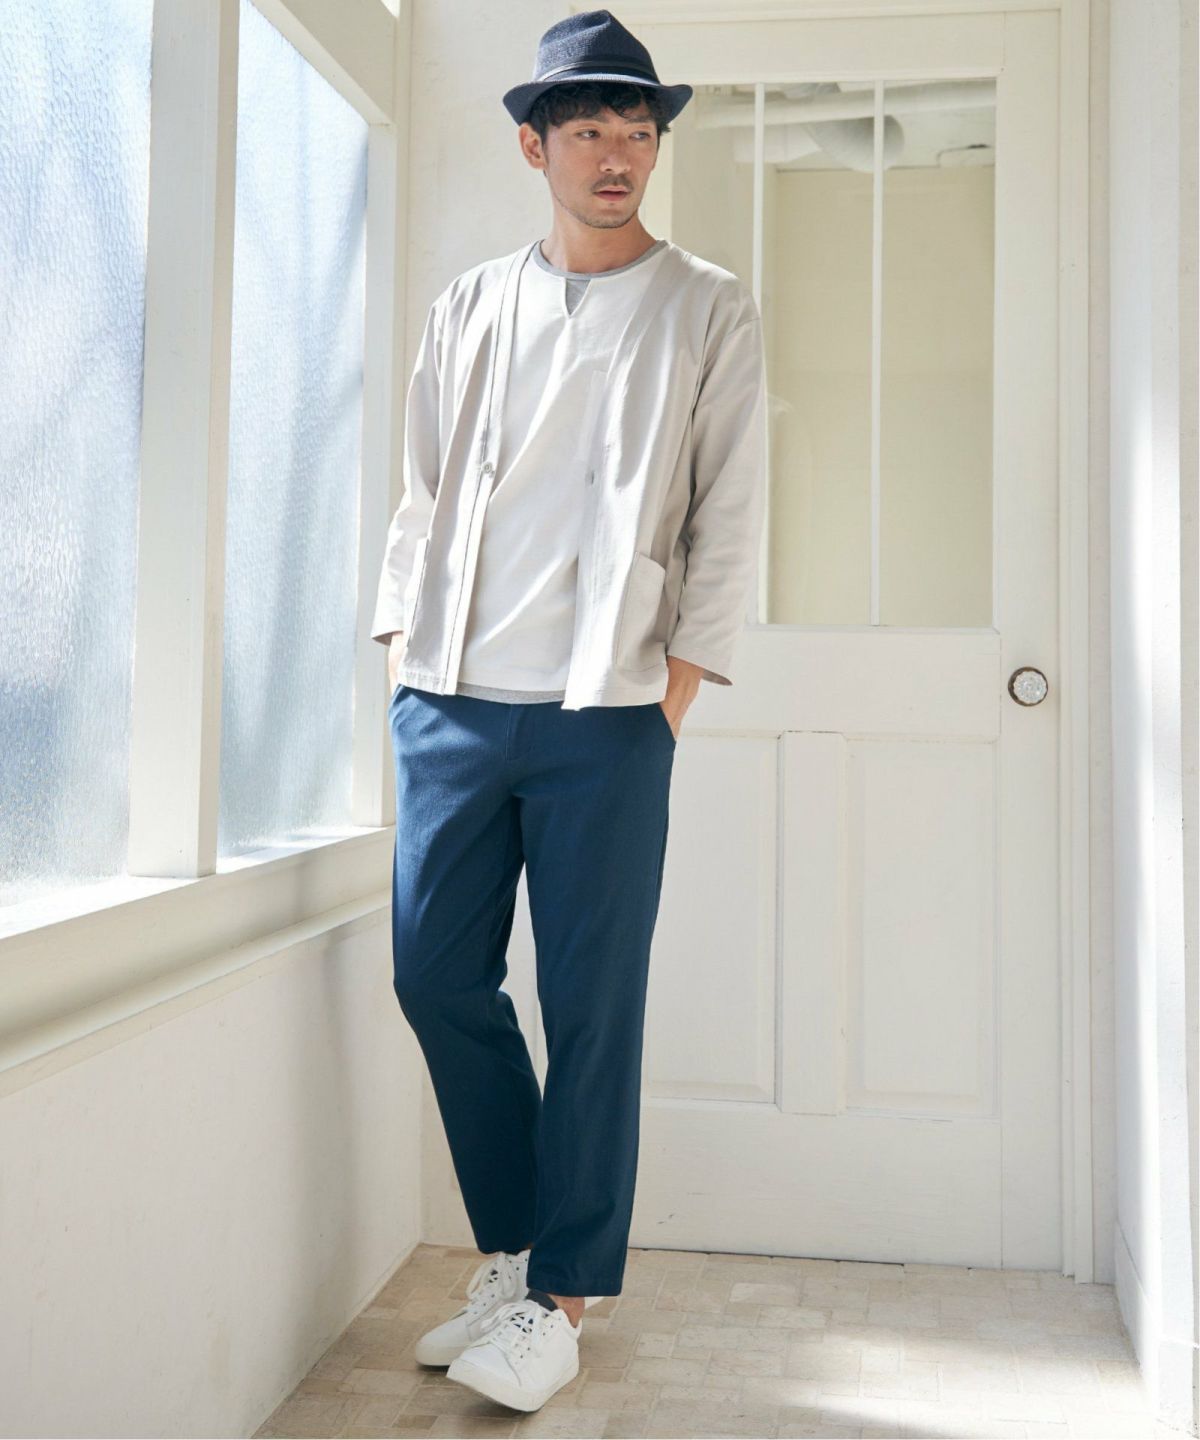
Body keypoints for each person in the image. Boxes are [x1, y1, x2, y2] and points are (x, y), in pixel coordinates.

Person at [370, 7, 767, 1414]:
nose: (617, 154)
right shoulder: (471, 304)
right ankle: (521, 1254)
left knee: (595, 1006)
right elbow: (423, 489)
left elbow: (730, 513)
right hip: (452, 703)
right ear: (534, 148)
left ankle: (567, 1294)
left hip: (607, 712)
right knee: (434, 977)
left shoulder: (709, 305)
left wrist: (672, 694)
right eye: (589, 129)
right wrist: (406, 653)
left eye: (638, 130)